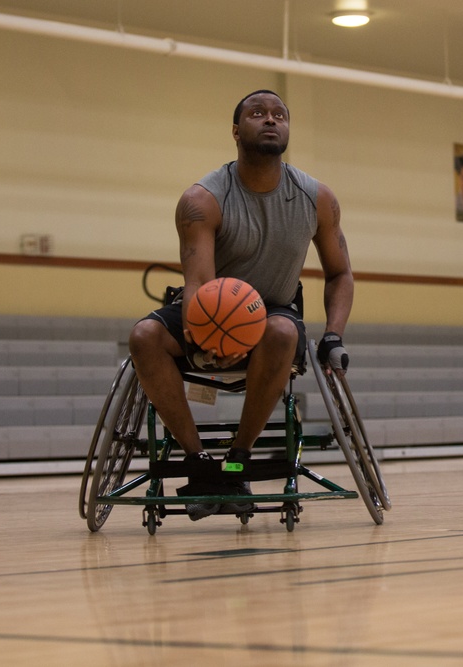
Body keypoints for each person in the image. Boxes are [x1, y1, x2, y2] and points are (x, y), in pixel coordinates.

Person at [127, 90, 354, 520]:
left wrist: (333, 334)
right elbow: (198, 282)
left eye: (279, 115)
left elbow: (340, 273)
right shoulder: (202, 199)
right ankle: (198, 463)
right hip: (208, 305)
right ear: (236, 131)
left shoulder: (317, 198)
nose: (271, 120)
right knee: (144, 336)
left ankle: (238, 459)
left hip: (273, 310)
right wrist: (205, 332)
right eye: (257, 113)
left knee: (285, 330)